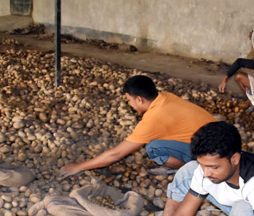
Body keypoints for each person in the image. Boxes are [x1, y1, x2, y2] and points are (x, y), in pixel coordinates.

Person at [60, 75, 216, 178]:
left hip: (213, 154)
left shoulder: (153, 119)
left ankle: (194, 169)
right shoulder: (165, 97)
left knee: (153, 148)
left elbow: (116, 154)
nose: (129, 104)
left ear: (140, 100)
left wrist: (78, 166)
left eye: (129, 100)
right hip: (221, 139)